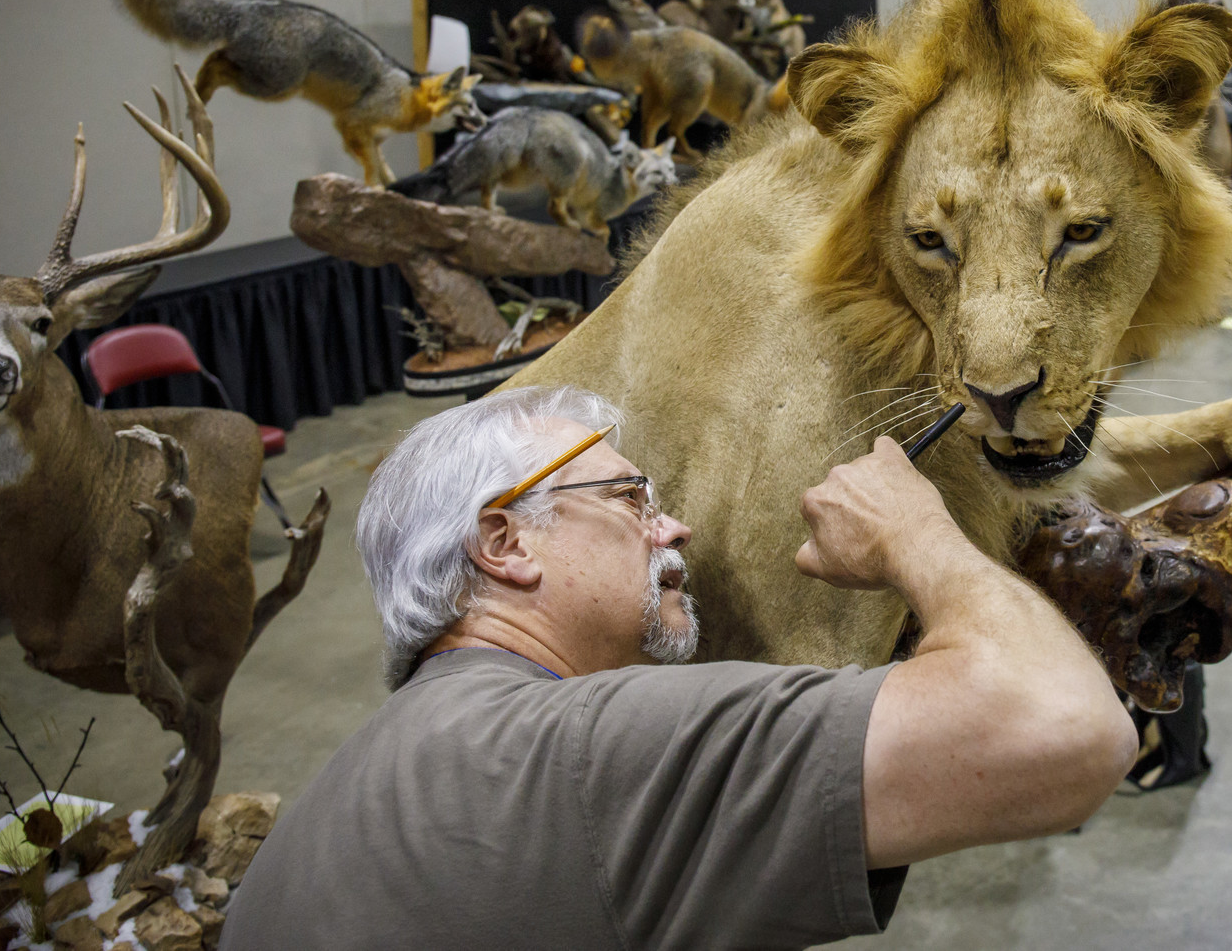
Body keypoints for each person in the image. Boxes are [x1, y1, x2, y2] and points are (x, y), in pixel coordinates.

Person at [220, 385, 1135, 950]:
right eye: (630, 497)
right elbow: (1062, 728)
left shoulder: (342, 790)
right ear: (504, 543)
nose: (674, 526)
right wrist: (917, 533)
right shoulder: (579, 752)